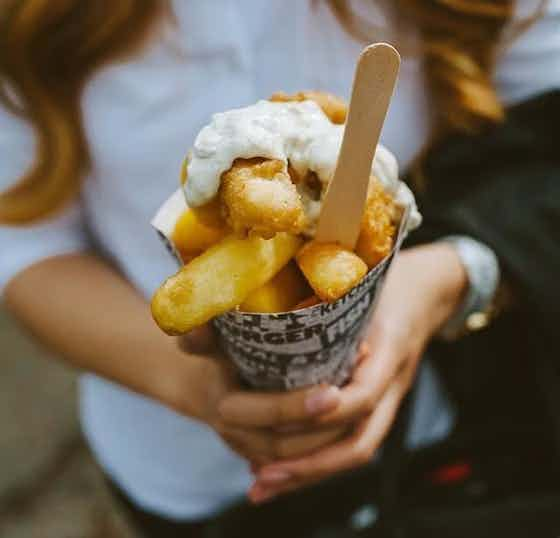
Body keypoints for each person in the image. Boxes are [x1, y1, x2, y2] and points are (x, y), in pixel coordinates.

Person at [1, 1, 559, 536]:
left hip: (449, 422)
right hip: (180, 470)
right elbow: (24, 245)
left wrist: (448, 274)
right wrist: (191, 384)